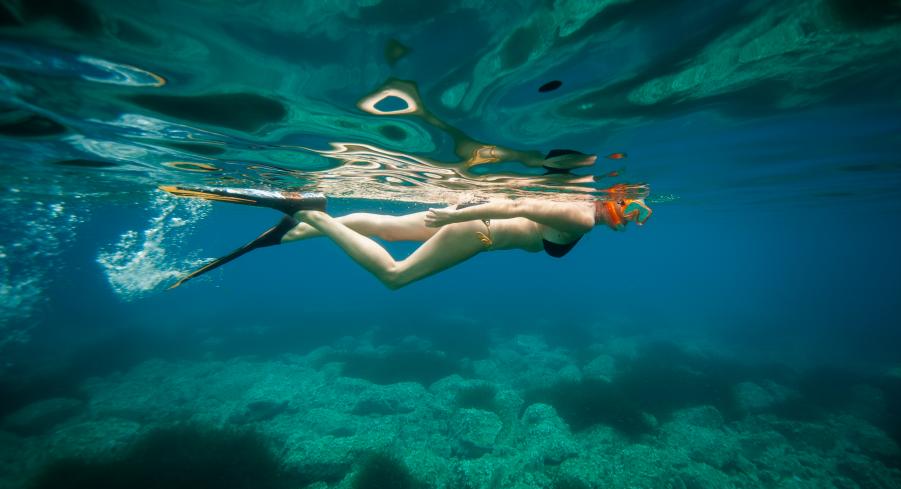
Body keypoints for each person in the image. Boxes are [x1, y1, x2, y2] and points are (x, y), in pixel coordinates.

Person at [160, 185, 651, 290]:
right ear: (612, 200)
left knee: (383, 227)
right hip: (477, 232)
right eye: (629, 210)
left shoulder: (582, 207)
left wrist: (457, 209)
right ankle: (315, 215)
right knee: (395, 276)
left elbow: (522, 204)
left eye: (636, 215)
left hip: (470, 219)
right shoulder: (583, 217)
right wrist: (468, 213)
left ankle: (290, 233)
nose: (630, 219)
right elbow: (519, 206)